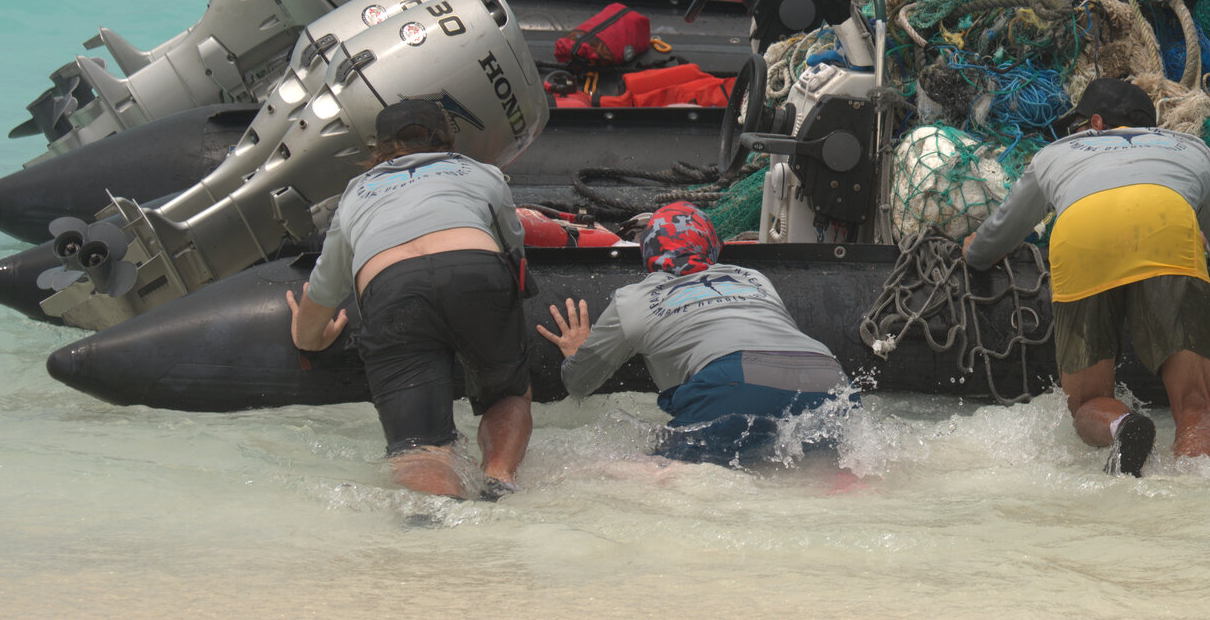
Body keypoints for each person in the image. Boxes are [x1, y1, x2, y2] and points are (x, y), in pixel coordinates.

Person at [961, 78, 1210, 476]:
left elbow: (998, 236)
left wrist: (973, 251)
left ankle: (1121, 425)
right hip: (1167, 233)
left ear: (1094, 123)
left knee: (1087, 401)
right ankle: (1202, 491)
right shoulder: (1192, 149)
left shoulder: (1054, 153)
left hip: (1082, 238)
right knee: (1196, 406)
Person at [287, 99, 534, 500]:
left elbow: (324, 290)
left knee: (420, 447)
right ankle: (499, 480)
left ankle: (432, 518)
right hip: (475, 270)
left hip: (392, 288)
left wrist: (308, 338)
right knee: (507, 394)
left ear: (379, 150)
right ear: (449, 139)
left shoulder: (355, 194)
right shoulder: (482, 174)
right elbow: (514, 252)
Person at [534, 203, 849, 465]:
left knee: (656, 475)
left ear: (647, 250)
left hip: (733, 379)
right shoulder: (754, 278)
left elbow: (579, 384)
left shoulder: (632, 301)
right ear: (712, 247)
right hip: (828, 375)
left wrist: (577, 351)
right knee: (821, 470)